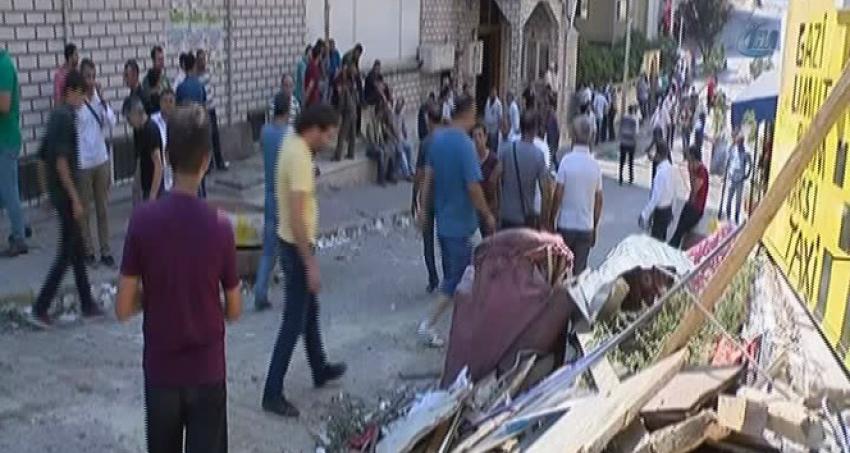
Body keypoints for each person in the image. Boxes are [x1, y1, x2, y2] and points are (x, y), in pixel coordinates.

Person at [116, 105, 242, 453]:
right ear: (207, 160)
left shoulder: (142, 222)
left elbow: (123, 306)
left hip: (161, 374)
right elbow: (233, 308)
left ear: (168, 157)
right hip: (207, 373)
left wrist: (155, 294)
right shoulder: (220, 227)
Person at [262, 103, 347, 418]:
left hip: (292, 242)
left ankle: (319, 367)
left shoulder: (294, 143)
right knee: (293, 322)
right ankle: (272, 392)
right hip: (296, 246)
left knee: (310, 312)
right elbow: (297, 217)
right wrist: (309, 263)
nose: (328, 141)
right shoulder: (299, 156)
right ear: (314, 129)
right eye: (327, 135)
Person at [416, 97, 496, 347]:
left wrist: (423, 211)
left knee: (463, 276)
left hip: (443, 222)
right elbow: (473, 186)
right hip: (461, 225)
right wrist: (487, 214)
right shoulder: (464, 145)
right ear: (470, 113)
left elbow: (428, 179)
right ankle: (429, 324)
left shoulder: (437, 140)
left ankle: (467, 325)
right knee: (457, 279)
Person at [31, 70, 104, 327]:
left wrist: (45, 191)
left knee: (76, 250)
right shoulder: (65, 118)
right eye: (82, 95)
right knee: (67, 252)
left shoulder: (55, 116)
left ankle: (87, 303)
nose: (83, 101)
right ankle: (41, 306)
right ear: (73, 91)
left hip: (58, 192)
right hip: (66, 193)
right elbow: (61, 163)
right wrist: (74, 199)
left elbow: (40, 158)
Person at [77, 58, 117, 267]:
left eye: (93, 76)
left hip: (101, 160)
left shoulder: (98, 102)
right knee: (85, 210)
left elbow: (112, 122)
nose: (91, 81)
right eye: (87, 76)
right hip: (84, 162)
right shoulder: (75, 101)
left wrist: (102, 99)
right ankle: (88, 250)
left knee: (102, 208)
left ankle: (106, 250)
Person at [551, 115, 603, 274]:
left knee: (560, 271)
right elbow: (599, 200)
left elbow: (558, 194)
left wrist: (551, 218)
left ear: (573, 135)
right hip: (585, 227)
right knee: (579, 274)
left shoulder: (566, 162)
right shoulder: (595, 166)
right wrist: (594, 226)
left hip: (565, 225)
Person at [254, 93, 292, 311]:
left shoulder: (265, 132)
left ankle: (260, 291)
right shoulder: (290, 135)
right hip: (286, 198)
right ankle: (294, 295)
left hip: (270, 195)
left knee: (268, 250)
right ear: (287, 111)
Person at [498, 111, 550, 230]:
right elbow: (546, 192)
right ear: (535, 129)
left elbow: (494, 179)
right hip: (526, 217)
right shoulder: (538, 155)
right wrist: (544, 219)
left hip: (506, 215)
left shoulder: (507, 149)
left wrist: (497, 207)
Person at [0, 46, 29, 257]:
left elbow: (4, 104)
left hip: (6, 139)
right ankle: (21, 226)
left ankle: (19, 237)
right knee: (8, 190)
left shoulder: (3, 66)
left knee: (9, 191)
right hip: (4, 139)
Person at [413, 104, 443, 293]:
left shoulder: (426, 143)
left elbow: (419, 173)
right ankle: (450, 275)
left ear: (429, 120)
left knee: (428, 239)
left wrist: (413, 198)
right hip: (445, 197)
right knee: (446, 237)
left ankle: (433, 278)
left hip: (427, 196)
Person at [123, 97, 163, 202]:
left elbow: (158, 165)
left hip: (154, 188)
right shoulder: (140, 130)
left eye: (129, 118)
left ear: (137, 113)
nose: (129, 123)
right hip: (146, 185)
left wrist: (153, 195)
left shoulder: (150, 130)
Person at [670, 146, 708, 248]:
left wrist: (691, 172)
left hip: (697, 208)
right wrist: (691, 172)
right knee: (679, 228)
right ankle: (671, 247)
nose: (688, 162)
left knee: (681, 229)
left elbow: (694, 190)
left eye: (690, 159)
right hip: (692, 205)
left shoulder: (701, 171)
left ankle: (671, 248)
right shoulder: (696, 170)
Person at [196, 49, 228, 171]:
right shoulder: (196, 76)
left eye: (204, 59)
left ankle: (219, 162)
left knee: (215, 135)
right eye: (200, 59)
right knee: (206, 137)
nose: (203, 62)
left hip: (211, 108)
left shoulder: (207, 73)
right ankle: (208, 165)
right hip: (203, 110)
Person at [640, 141, 675, 241]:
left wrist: (644, 214)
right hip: (667, 209)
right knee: (662, 240)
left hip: (660, 212)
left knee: (655, 242)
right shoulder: (671, 169)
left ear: (658, 155)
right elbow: (674, 193)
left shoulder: (661, 173)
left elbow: (655, 197)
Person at [472, 123, 501, 237]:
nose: (478, 140)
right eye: (475, 136)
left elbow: (498, 188)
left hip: (489, 208)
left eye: (480, 135)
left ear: (485, 137)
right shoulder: (470, 159)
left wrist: (496, 212)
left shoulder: (493, 160)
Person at [150, 89, 176, 192]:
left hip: (175, 167)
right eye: (165, 101)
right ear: (160, 103)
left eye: (171, 101)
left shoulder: (179, 121)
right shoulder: (153, 121)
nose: (168, 104)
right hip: (158, 167)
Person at [725, 136, 752, 224]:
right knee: (729, 198)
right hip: (732, 177)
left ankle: (736, 216)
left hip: (740, 179)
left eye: (740, 142)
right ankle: (728, 216)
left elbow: (750, 164)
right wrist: (727, 172)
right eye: (738, 142)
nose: (739, 144)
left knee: (738, 200)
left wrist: (747, 174)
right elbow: (728, 160)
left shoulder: (745, 153)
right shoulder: (733, 150)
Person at [334, 64, 358, 161]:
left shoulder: (345, 85)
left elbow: (342, 101)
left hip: (347, 111)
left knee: (342, 134)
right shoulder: (353, 83)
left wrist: (338, 112)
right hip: (353, 110)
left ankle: (338, 155)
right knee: (352, 134)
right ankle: (351, 153)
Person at [618, 105, 638, 185]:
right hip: (631, 142)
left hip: (623, 141)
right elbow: (635, 132)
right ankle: (630, 178)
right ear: (632, 111)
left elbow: (620, 128)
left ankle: (620, 177)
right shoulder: (634, 120)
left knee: (622, 160)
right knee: (630, 161)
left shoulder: (624, 118)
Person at [484, 87, 503, 152]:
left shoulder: (498, 104)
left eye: (494, 93)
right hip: (487, 125)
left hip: (494, 127)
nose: (492, 94)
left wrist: (500, 127)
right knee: (487, 142)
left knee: (493, 143)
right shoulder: (488, 100)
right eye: (491, 93)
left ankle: (493, 155)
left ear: (496, 94)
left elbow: (500, 116)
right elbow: (486, 111)